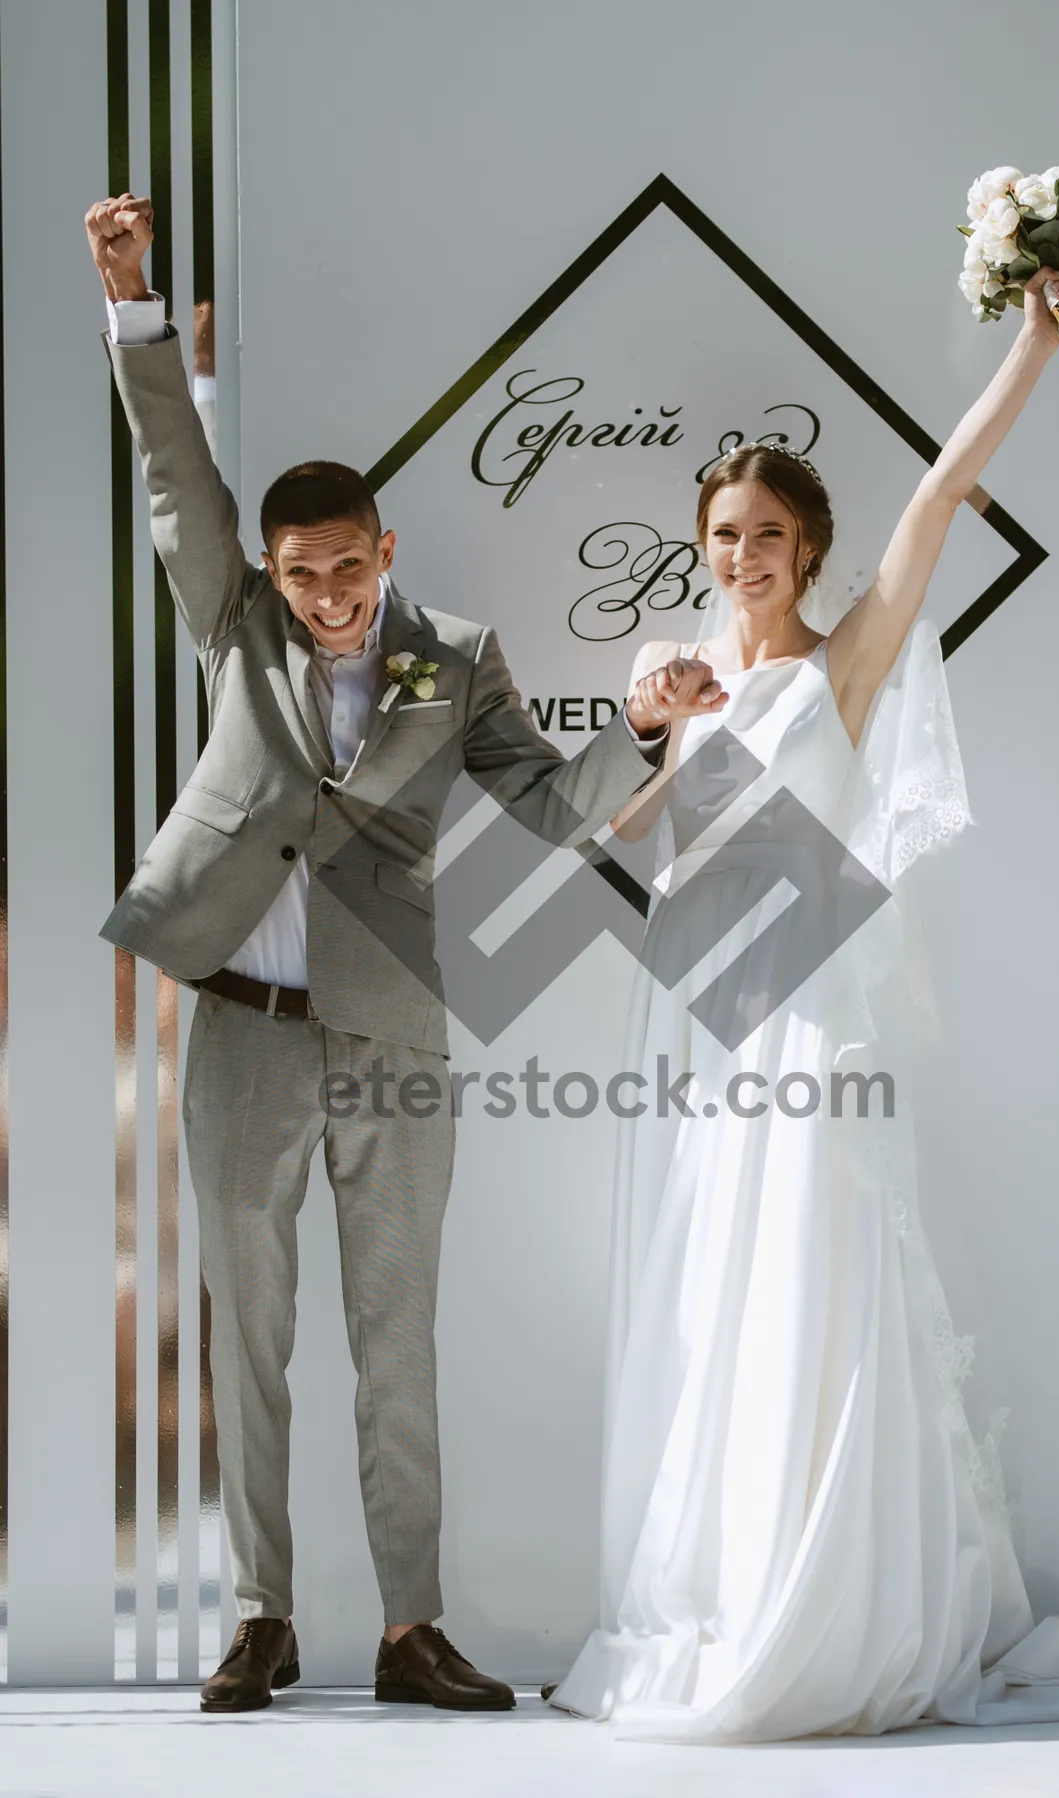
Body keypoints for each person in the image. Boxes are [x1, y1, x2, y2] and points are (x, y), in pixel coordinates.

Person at [85, 191, 725, 1715]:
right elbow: (178, 477)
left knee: (397, 1338)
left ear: (387, 545)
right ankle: (261, 1616)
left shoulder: (455, 656)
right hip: (240, 1019)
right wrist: (134, 310)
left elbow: (550, 801)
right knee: (250, 1333)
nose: (326, 599)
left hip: (391, 1033)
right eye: (300, 575)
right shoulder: (234, 617)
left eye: (346, 569)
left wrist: (640, 729)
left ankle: (409, 1627)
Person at [548, 261, 1059, 1739]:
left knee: (812, 1272)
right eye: (723, 537)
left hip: (808, 1014)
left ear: (809, 545)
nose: (742, 557)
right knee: (718, 1292)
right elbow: (632, 838)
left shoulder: (847, 662)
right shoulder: (697, 668)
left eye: (767, 534)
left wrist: (1035, 340)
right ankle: (736, 1573)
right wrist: (653, 716)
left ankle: (834, 1592)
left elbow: (939, 490)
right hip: (708, 1025)